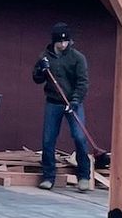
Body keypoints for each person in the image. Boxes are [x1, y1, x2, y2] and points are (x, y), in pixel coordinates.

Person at [32, 23, 91, 190]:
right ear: (54, 41)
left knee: (79, 137)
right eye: (60, 42)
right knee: (48, 140)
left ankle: (84, 176)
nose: (64, 45)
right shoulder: (45, 57)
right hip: (53, 102)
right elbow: (37, 79)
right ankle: (48, 177)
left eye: (67, 42)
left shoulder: (78, 58)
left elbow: (83, 82)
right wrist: (40, 70)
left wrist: (75, 101)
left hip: (73, 103)